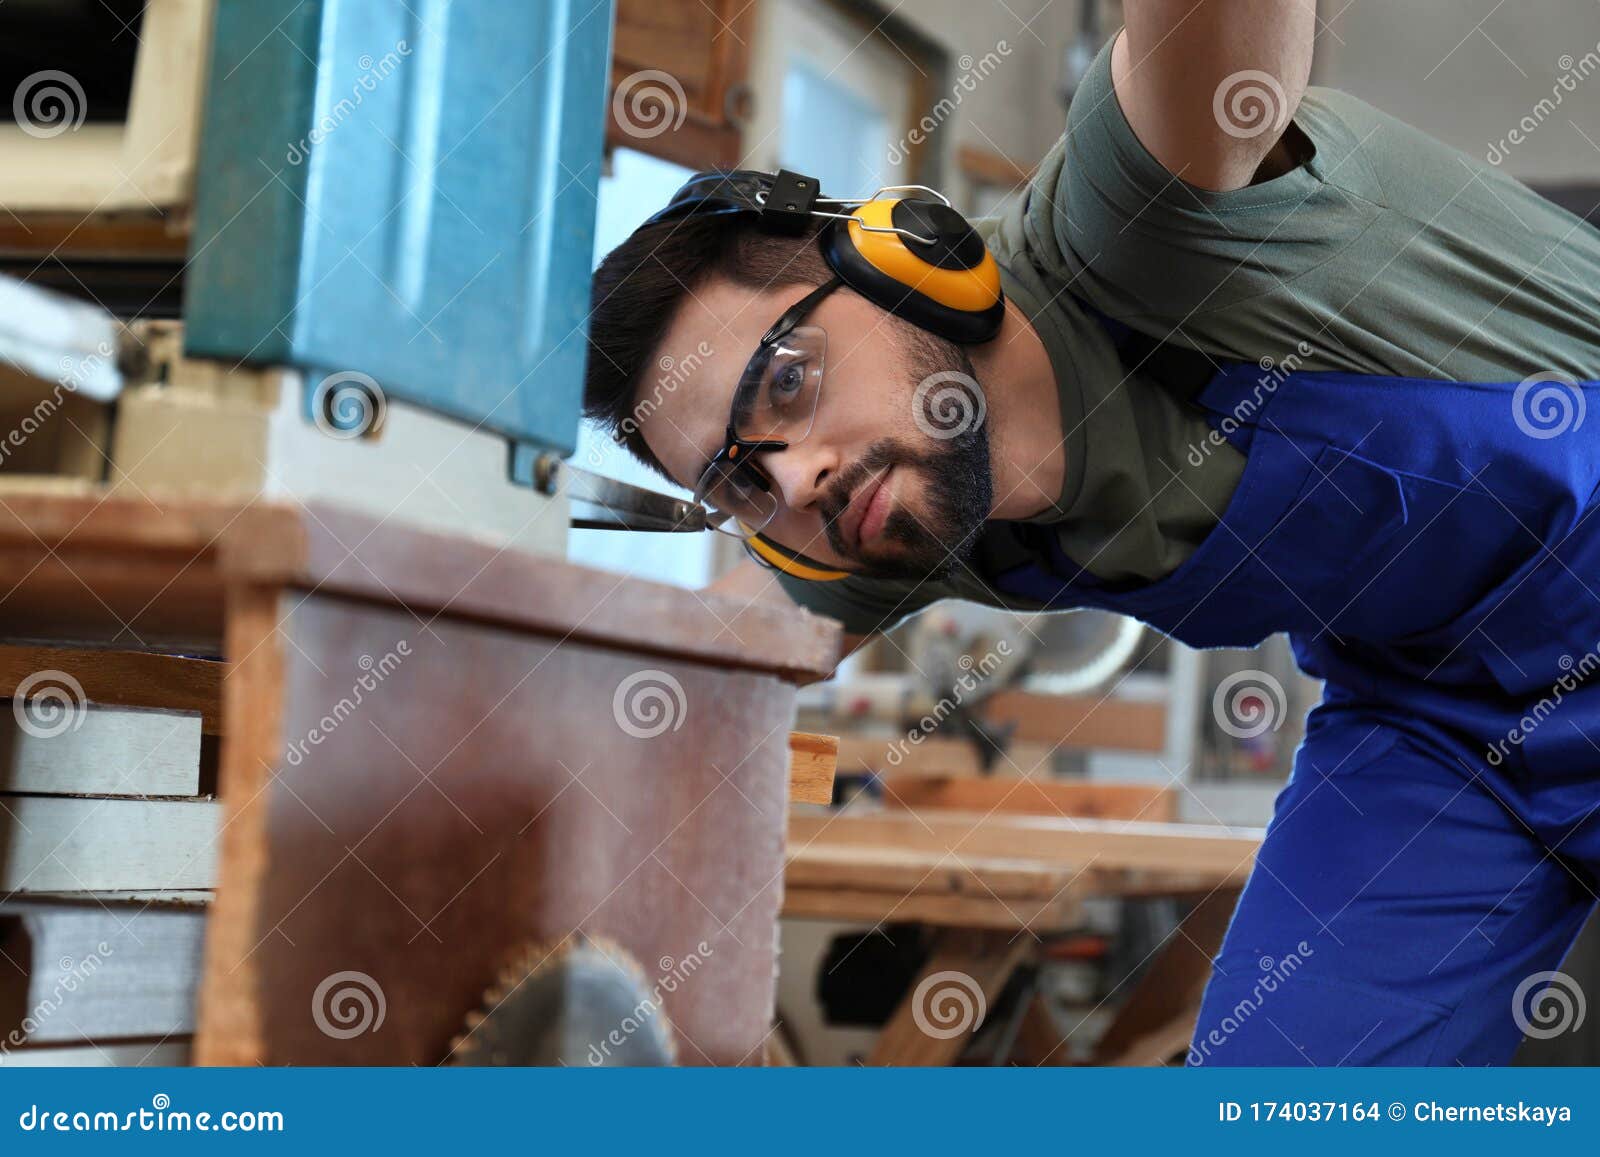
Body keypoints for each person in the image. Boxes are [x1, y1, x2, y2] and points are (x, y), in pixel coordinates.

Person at [582, 0, 1600, 1065]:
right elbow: (700, 666)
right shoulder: (903, 515)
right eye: (740, 480)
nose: (798, 476)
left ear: (894, 256)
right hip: (1435, 723)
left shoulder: (1137, 217)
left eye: (786, 381)